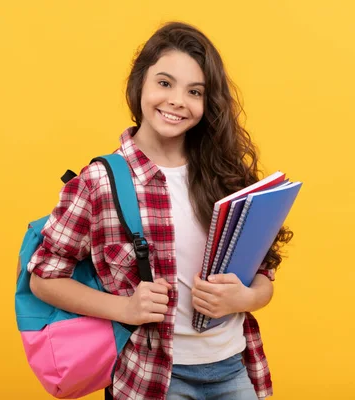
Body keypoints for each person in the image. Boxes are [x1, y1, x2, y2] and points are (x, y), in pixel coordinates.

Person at [28, 21, 293, 400]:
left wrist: (246, 299)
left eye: (194, 91)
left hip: (234, 364)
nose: (177, 101)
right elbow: (43, 278)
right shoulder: (99, 181)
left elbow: (264, 273)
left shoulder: (225, 175)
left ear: (207, 102)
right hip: (154, 377)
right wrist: (125, 308)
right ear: (140, 85)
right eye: (164, 83)